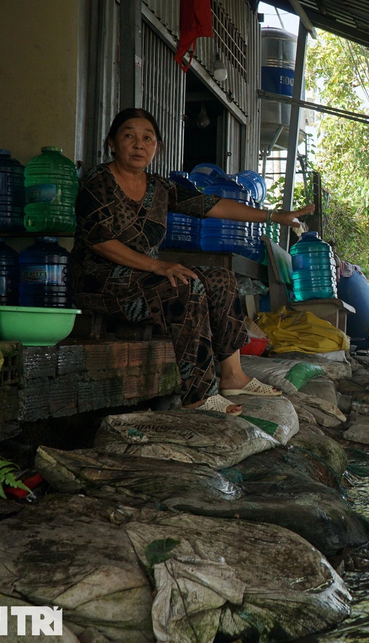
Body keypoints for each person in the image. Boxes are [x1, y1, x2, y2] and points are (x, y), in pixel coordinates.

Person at [71, 108, 314, 415]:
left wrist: (273, 216)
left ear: (157, 146)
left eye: (147, 138)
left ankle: (232, 376)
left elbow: (211, 205)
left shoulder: (159, 187)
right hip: (102, 283)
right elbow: (99, 241)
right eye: (129, 135)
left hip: (145, 281)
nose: (138, 144)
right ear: (112, 143)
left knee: (222, 279)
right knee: (186, 288)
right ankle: (199, 396)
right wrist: (159, 266)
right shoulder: (98, 181)